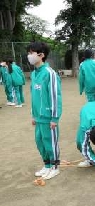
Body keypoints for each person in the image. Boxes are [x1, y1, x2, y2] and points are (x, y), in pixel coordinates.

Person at [28, 42, 62, 180]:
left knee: (50, 142)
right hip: (38, 117)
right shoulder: (34, 74)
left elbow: (55, 97)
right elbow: (33, 96)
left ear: (41, 55)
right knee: (40, 141)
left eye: (32, 53)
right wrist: (33, 114)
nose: (29, 56)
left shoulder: (50, 73)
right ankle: (47, 165)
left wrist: (54, 118)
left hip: (49, 117)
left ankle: (55, 167)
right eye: (29, 53)